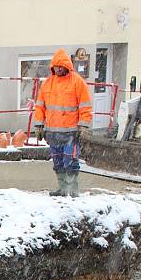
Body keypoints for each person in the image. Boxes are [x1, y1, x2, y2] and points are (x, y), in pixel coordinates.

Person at [33, 49, 92, 197]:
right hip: (52, 132)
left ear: (67, 66)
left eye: (61, 66)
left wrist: (83, 125)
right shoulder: (47, 84)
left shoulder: (77, 82)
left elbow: (85, 106)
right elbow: (40, 106)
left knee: (70, 161)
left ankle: (72, 190)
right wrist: (39, 125)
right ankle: (62, 188)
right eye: (56, 66)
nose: (58, 69)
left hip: (71, 132)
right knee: (58, 162)